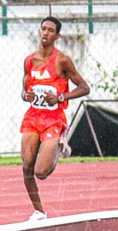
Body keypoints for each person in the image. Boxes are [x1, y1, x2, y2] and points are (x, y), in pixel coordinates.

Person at [20, 16, 90, 220]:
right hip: (33, 117)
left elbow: (84, 88)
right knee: (27, 166)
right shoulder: (29, 61)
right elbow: (23, 90)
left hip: (53, 118)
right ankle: (39, 210)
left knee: (41, 172)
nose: (45, 33)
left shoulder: (62, 61)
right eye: (43, 29)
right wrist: (26, 95)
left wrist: (60, 97)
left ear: (57, 35)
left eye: (50, 30)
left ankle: (60, 145)